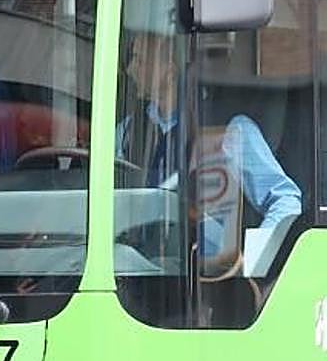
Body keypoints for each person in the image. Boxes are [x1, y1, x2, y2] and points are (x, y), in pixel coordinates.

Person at [118, 31, 301, 261]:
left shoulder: (230, 130)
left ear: (170, 70)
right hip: (139, 271)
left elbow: (286, 200)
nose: (130, 69)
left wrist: (254, 260)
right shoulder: (127, 131)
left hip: (206, 280)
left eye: (140, 60)